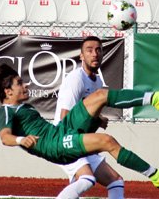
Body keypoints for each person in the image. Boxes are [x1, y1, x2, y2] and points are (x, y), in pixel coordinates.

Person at [0, 64, 159, 199]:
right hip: (55, 145)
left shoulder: (23, 107)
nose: (26, 85)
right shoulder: (6, 111)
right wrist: (20, 140)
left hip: (60, 131)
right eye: (20, 83)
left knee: (100, 96)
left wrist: (94, 118)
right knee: (107, 141)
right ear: (8, 92)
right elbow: (4, 137)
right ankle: (155, 175)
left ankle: (155, 98)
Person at [53, 36, 124, 198]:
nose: (95, 54)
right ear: (81, 56)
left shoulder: (97, 82)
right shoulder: (76, 79)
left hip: (80, 141)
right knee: (86, 178)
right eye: (89, 50)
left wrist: (98, 120)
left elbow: (86, 114)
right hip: (64, 140)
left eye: (98, 50)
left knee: (116, 181)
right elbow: (65, 118)